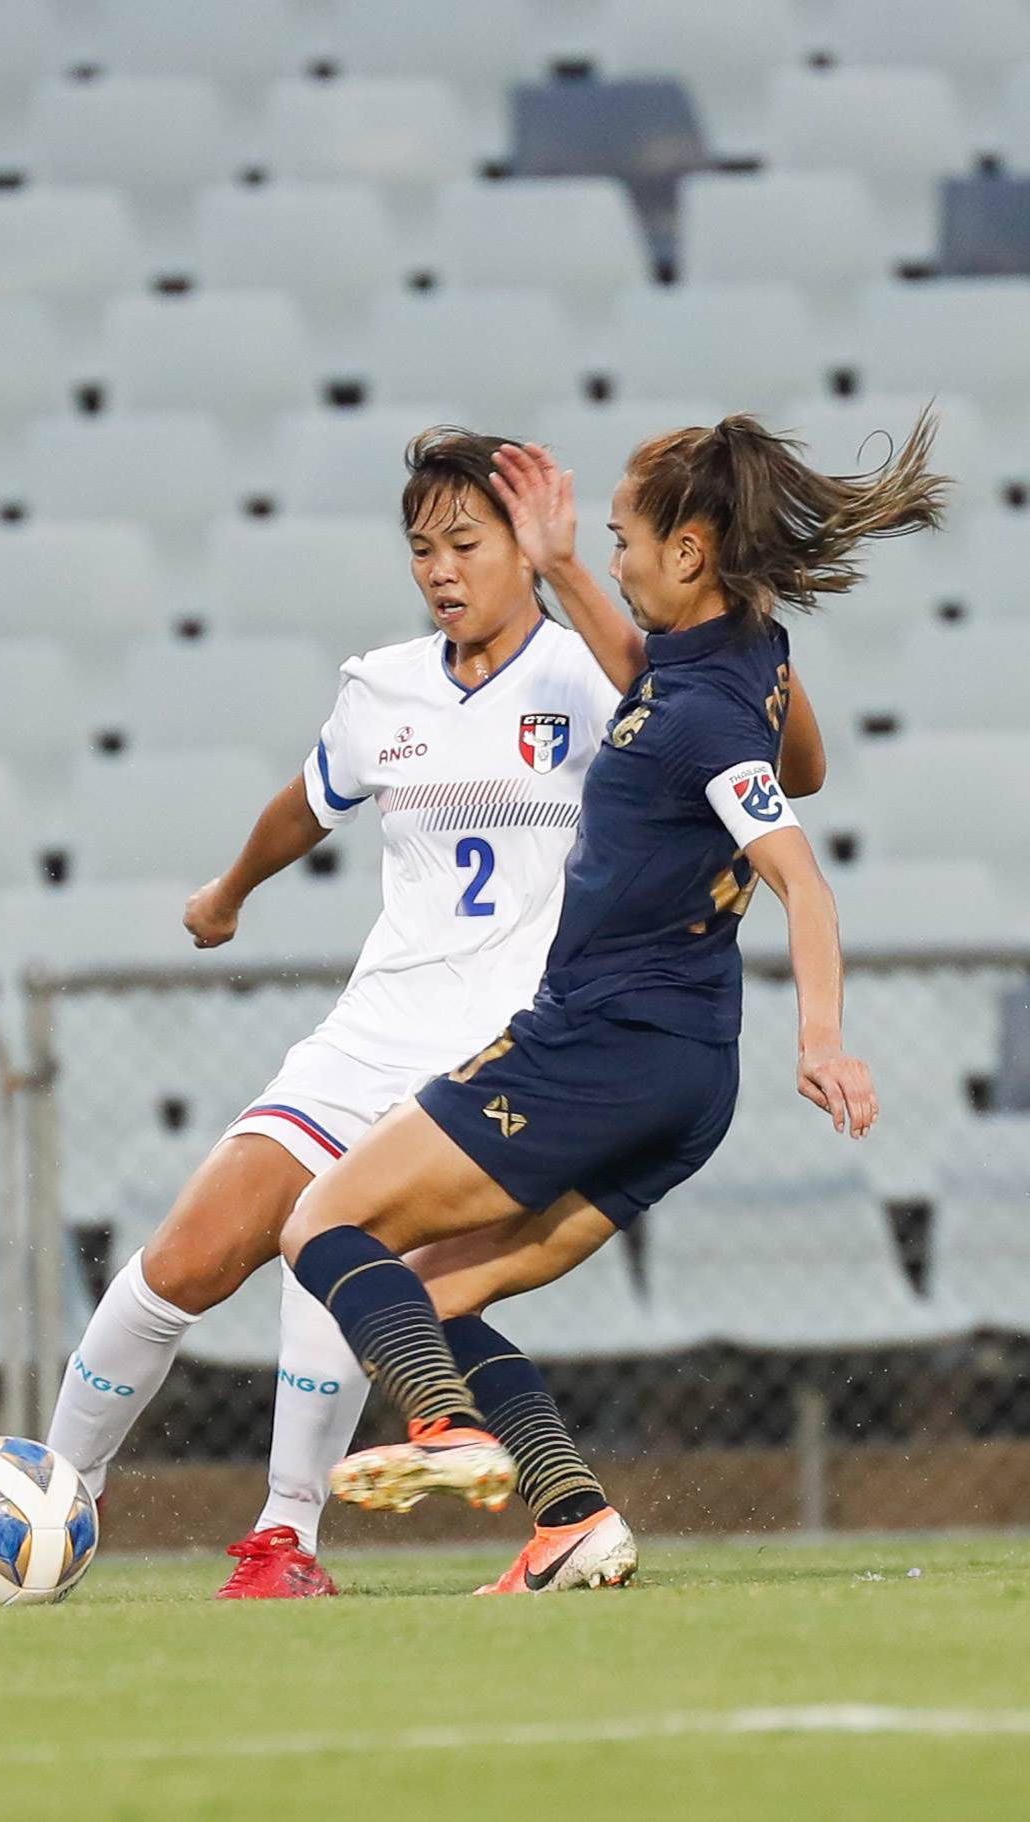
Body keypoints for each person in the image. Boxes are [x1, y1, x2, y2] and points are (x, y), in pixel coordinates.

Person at [280, 412, 949, 1591]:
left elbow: (799, 869)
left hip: (602, 1041)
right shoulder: (745, 656)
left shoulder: (695, 716)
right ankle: (574, 1518)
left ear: (690, 552)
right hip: (687, 1075)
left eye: (627, 537)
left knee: (325, 1224)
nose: (618, 554)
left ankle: (444, 1430)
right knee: (434, 1291)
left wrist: (829, 1039)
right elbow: (788, 756)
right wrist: (562, 568)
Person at [45, 426, 635, 1597]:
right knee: (185, 1257)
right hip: (368, 1033)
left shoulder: (591, 677)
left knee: (334, 1243)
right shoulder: (383, 688)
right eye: (423, 548)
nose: (441, 569)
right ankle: (54, 1495)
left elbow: (710, 725)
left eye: (466, 542)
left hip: (496, 1057)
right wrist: (228, 891)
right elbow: (306, 803)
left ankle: (285, 1537)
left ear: (527, 548)